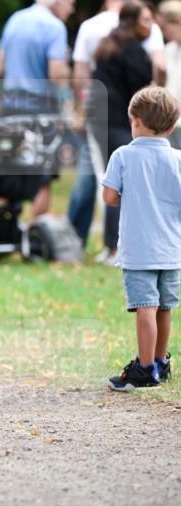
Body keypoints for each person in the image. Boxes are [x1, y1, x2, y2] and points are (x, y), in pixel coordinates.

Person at [68, 0, 166, 249]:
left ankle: (74, 241)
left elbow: (82, 75)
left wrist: (83, 111)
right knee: (123, 179)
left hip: (98, 114)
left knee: (91, 177)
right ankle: (117, 244)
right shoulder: (144, 34)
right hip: (128, 119)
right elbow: (159, 70)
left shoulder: (93, 29)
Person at [102, 86, 181, 391]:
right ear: (172, 127)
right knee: (164, 308)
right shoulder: (177, 159)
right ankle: (160, 362)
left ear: (134, 121)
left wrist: (130, 197)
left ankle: (145, 369)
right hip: (172, 249)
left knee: (145, 306)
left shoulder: (123, 155)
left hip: (139, 249)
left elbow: (109, 196)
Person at [0, 0, 74, 216]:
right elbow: (56, 74)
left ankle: (3, 232)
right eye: (70, 3)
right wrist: (67, 107)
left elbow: (0, 67)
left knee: (9, 172)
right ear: (58, 1)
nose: (71, 10)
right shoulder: (55, 27)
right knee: (42, 177)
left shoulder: (15, 19)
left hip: (10, 108)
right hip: (42, 110)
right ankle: (33, 237)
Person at [91, 2, 154, 264]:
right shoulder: (133, 50)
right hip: (120, 122)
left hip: (101, 121)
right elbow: (141, 92)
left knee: (113, 182)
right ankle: (118, 249)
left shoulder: (109, 44)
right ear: (133, 21)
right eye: (147, 20)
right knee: (126, 186)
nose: (150, 26)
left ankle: (110, 246)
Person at [157, 0, 181, 148]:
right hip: (171, 125)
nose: (163, 33)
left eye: (164, 27)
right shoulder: (168, 49)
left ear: (178, 22)